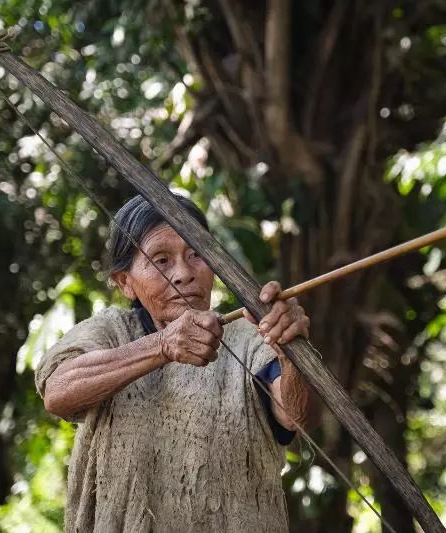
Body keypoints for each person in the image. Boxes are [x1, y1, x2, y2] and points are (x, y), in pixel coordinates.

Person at [35, 194, 320, 533]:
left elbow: (297, 416)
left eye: (196, 254)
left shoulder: (249, 335)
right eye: (161, 260)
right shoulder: (110, 332)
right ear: (125, 282)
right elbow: (58, 391)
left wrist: (291, 352)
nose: (184, 274)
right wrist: (162, 345)